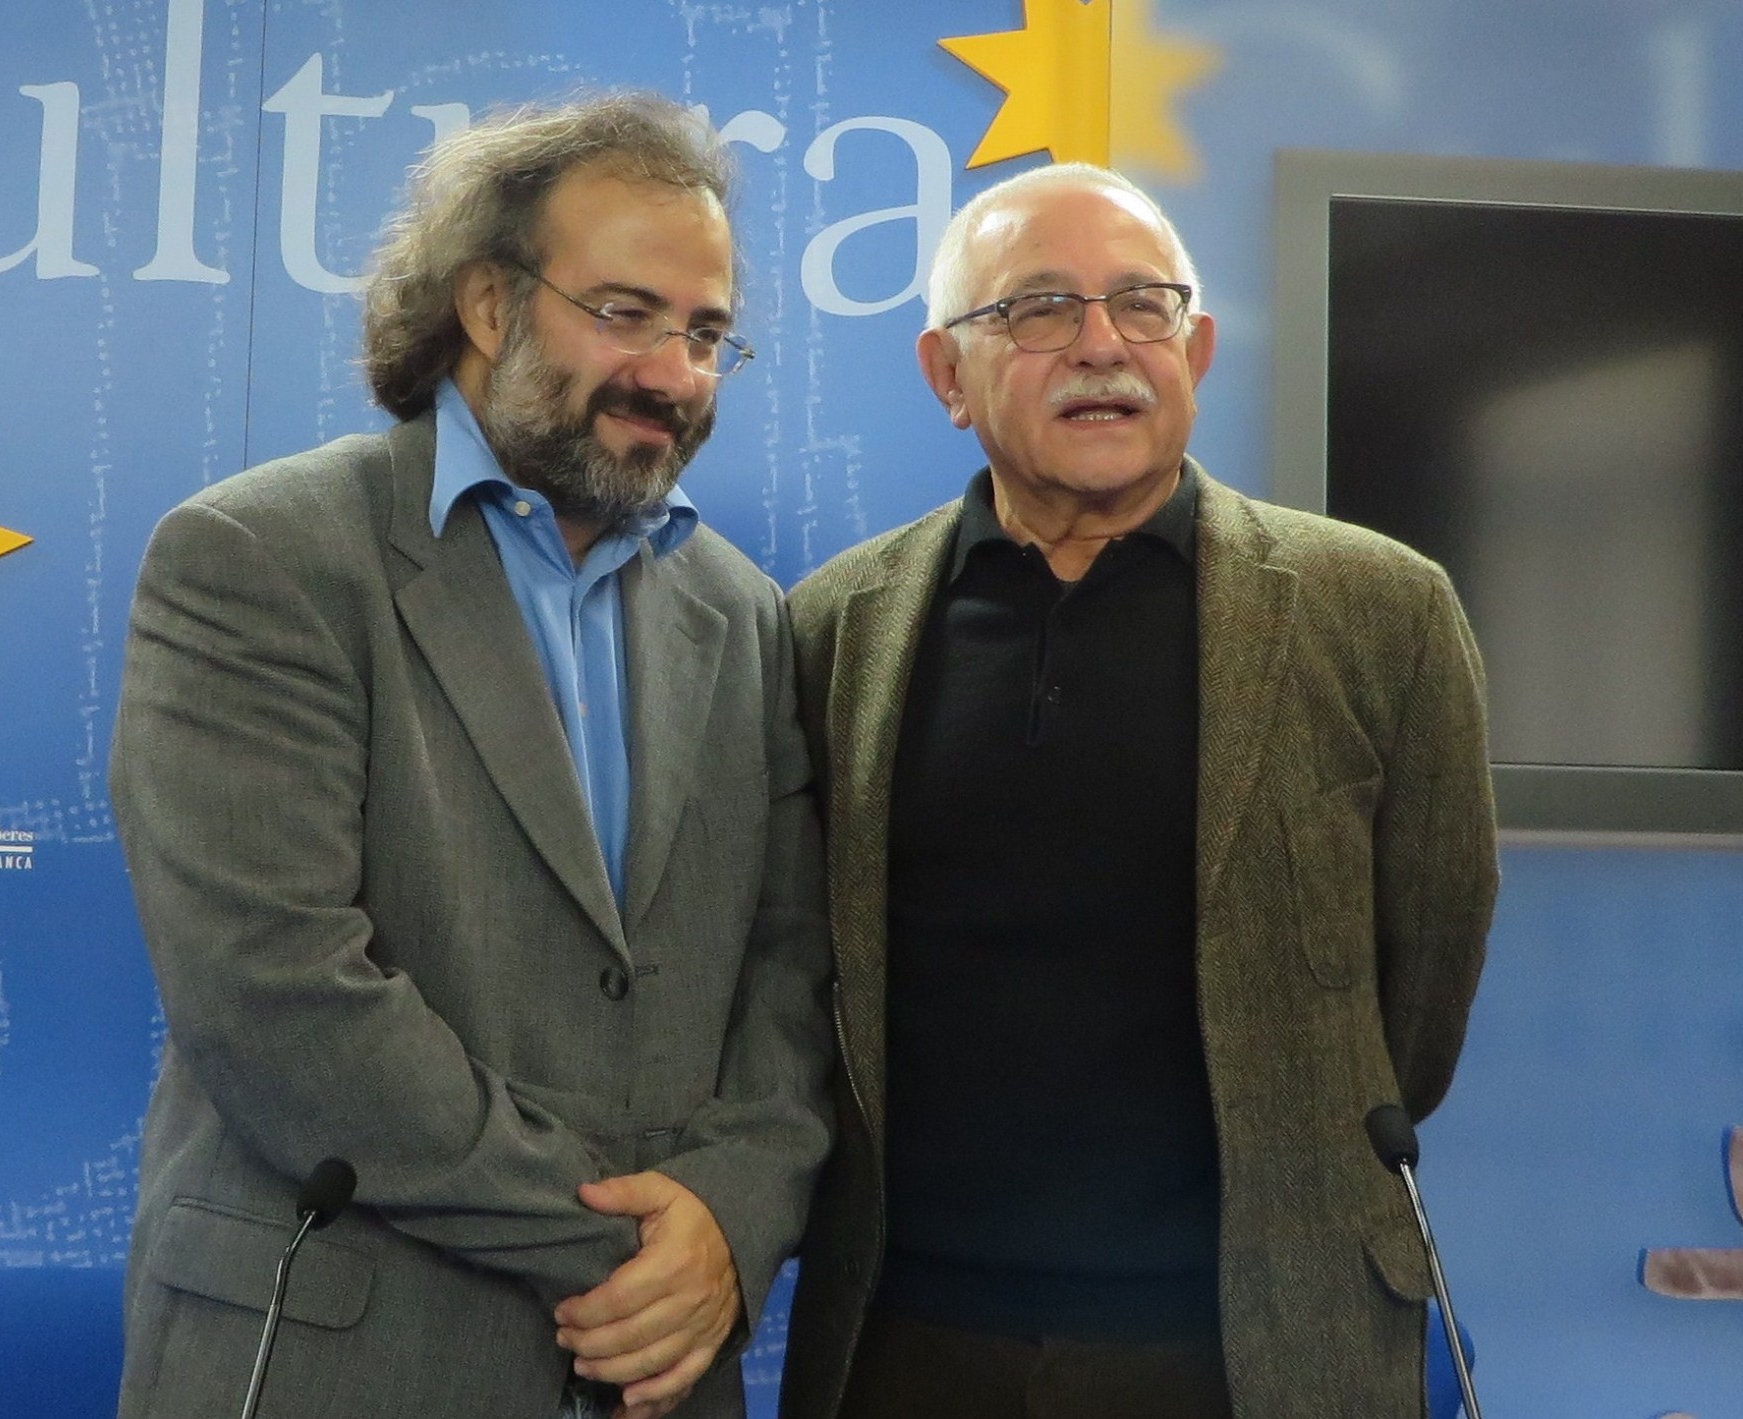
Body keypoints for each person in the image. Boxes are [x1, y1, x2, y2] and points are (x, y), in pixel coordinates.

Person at [110, 93, 832, 1419]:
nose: (675, 373)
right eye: (625, 311)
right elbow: (279, 995)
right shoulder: (260, 559)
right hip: (339, 1354)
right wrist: (631, 1252)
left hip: (655, 1375)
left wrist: (730, 1216)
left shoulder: (743, 614)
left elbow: (793, 977)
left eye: (710, 332)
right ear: (488, 305)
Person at [779, 162, 1499, 1419]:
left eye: (1141, 305)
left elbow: (1418, 992)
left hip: (1255, 1345)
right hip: (908, 1337)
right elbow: (791, 968)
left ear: (1197, 348)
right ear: (946, 375)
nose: (1100, 346)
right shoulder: (831, 627)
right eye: (1039, 308)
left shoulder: (1380, 609)